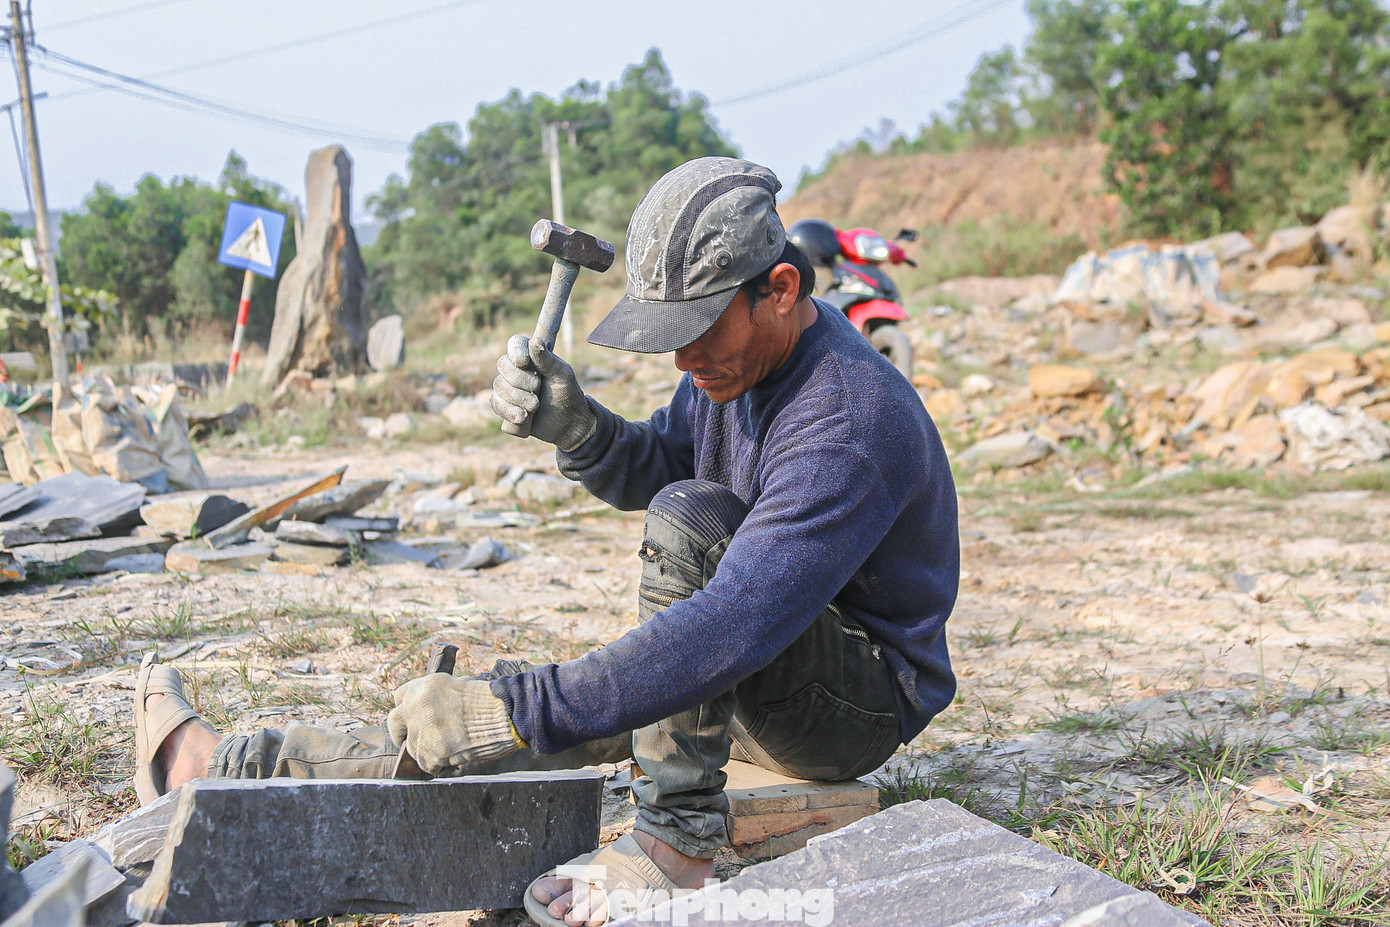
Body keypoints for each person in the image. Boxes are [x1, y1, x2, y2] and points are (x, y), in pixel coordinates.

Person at [132, 156, 958, 927]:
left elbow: (730, 620)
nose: (682, 353)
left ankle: (676, 844)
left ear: (779, 288)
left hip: (849, 706)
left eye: (701, 327)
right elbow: (665, 462)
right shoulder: (730, 368)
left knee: (586, 645)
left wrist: (517, 710)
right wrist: (580, 426)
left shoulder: (845, 418)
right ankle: (234, 767)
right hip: (757, 668)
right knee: (523, 710)